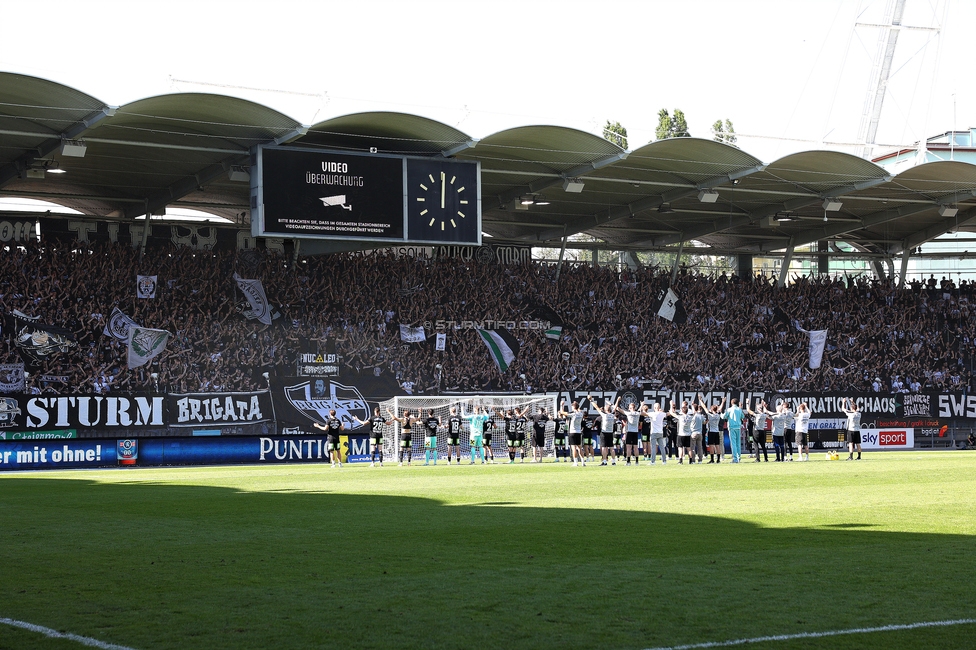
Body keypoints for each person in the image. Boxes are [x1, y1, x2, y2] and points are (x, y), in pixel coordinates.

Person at [594, 396, 620, 466]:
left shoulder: (604, 415)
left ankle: (604, 461)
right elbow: (615, 407)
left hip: (604, 432)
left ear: (605, 409)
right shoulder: (612, 414)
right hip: (610, 432)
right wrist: (617, 400)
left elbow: (597, 407)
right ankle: (614, 461)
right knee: (612, 448)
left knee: (604, 447)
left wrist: (591, 401)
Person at [614, 400, 642, 465]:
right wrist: (642, 404)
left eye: (629, 407)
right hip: (635, 432)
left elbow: (619, 409)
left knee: (628, 447)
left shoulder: (628, 413)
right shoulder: (638, 413)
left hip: (629, 432)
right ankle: (637, 462)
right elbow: (640, 409)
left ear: (630, 408)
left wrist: (616, 401)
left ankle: (628, 462)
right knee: (635, 447)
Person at [699, 396, 725, 463]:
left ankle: (712, 459)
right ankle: (718, 459)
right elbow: (720, 408)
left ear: (712, 409)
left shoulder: (710, 415)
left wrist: (700, 400)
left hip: (711, 432)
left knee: (711, 446)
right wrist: (723, 401)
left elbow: (704, 407)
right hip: (717, 431)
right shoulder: (718, 414)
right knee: (717, 446)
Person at [722, 398, 745, 463]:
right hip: (738, 427)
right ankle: (739, 457)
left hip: (732, 427)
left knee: (733, 443)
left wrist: (721, 414)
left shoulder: (729, 409)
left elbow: (724, 416)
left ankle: (735, 458)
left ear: (731, 403)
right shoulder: (739, 409)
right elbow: (743, 416)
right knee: (738, 443)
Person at [567, 400, 587, 466]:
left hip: (572, 432)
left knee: (573, 448)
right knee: (579, 448)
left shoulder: (573, 414)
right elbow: (579, 410)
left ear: (573, 407)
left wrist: (561, 405)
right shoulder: (581, 414)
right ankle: (583, 462)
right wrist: (577, 406)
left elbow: (563, 413)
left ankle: (575, 462)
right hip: (578, 432)